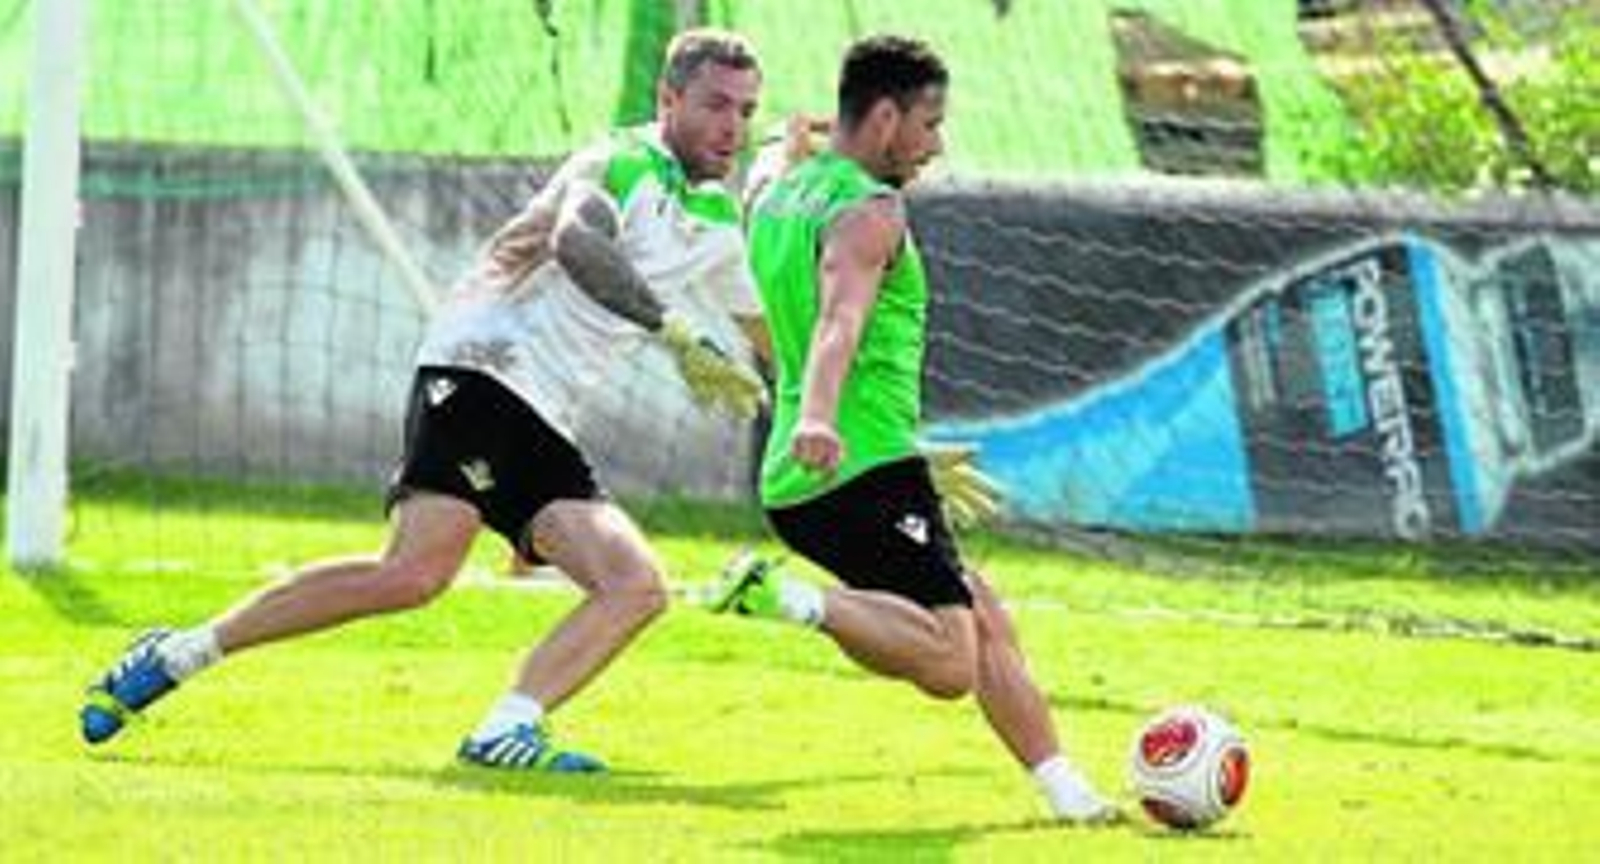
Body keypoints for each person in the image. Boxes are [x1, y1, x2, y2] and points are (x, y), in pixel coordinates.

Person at [79, 28, 768, 774]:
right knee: (423, 575)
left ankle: (500, 728)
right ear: (668, 99)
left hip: (542, 414)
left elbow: (769, 338)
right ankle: (186, 654)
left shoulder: (718, 222)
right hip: (478, 375)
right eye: (715, 105)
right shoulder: (618, 161)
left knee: (626, 586)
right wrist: (673, 334)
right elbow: (577, 242)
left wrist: (828, 417)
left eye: (747, 109)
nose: (733, 126)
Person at [708, 34, 1117, 821]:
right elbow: (839, 321)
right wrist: (825, 418)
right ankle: (789, 600)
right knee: (950, 658)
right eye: (929, 124)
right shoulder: (872, 211)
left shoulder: (780, 192)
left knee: (983, 613)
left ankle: (1069, 795)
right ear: (886, 116)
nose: (938, 145)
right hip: (855, 461)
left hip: (814, 473)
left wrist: (796, 140)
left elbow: (768, 158)